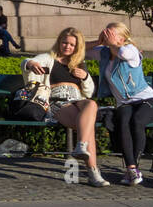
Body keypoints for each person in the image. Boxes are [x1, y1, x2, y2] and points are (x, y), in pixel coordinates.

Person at [23, 27, 107, 187]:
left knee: (92, 103)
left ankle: (81, 146)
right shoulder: (49, 58)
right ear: (59, 42)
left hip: (78, 100)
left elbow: (89, 93)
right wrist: (31, 63)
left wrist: (86, 77)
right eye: (64, 43)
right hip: (57, 101)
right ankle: (93, 172)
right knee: (88, 128)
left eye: (72, 45)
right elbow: (28, 62)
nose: (67, 47)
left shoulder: (79, 63)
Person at [95, 22, 153, 185]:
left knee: (137, 121)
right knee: (123, 121)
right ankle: (131, 169)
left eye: (112, 33)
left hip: (147, 99)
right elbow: (81, 50)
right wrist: (99, 41)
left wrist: (112, 44)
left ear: (122, 37)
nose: (108, 35)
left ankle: (134, 169)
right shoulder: (104, 53)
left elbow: (123, 53)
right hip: (124, 102)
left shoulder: (130, 49)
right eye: (106, 32)